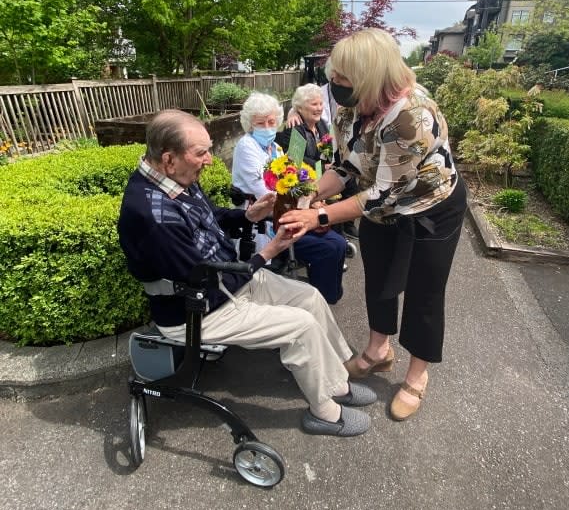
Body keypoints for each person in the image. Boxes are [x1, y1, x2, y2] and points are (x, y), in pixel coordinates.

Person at [117, 108, 376, 437]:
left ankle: (337, 380)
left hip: (226, 284)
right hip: (198, 310)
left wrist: (249, 216)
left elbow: (212, 217)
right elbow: (202, 277)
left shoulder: (175, 179)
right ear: (169, 159)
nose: (210, 159)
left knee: (309, 297)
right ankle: (325, 411)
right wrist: (269, 251)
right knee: (300, 327)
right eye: (201, 153)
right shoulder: (151, 214)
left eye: (209, 149)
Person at [280, 28, 467, 422]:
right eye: (334, 77)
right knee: (380, 278)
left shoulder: (412, 114)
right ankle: (378, 350)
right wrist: (312, 194)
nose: (335, 85)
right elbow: (347, 165)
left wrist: (319, 216)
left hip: (429, 207)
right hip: (380, 206)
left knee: (424, 290)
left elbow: (382, 194)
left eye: (343, 78)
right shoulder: (349, 106)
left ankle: (417, 376)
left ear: (371, 75)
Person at [231, 92, 346, 305]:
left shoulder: (275, 146)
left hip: (286, 211)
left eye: (272, 121)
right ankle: (320, 299)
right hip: (265, 221)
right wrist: (308, 204)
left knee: (337, 241)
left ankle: (327, 296)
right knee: (329, 246)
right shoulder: (248, 146)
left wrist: (311, 199)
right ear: (250, 124)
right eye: (260, 123)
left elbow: (295, 178)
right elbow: (268, 193)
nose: (267, 127)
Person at [285, 83, 360, 240]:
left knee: (351, 181)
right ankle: (337, 234)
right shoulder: (295, 128)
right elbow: (295, 160)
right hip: (307, 176)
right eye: (314, 104)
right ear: (300, 108)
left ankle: (347, 225)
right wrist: (322, 166)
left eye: (320, 104)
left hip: (325, 170)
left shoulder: (321, 124)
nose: (319, 108)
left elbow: (330, 145)